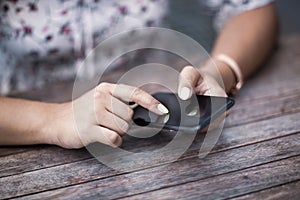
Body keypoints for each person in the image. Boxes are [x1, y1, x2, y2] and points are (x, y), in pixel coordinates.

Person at [0, 0, 278, 148]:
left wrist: (219, 71)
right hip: (26, 130)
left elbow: (251, 9)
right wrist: (53, 120)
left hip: (156, 120)